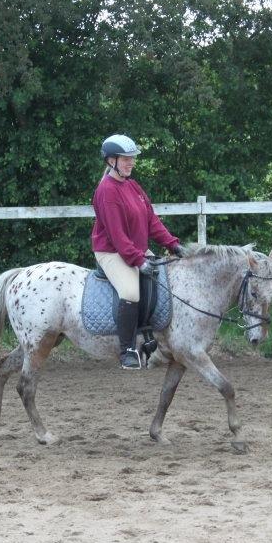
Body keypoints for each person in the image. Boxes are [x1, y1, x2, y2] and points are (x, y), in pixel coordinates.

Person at [91, 134, 187, 370]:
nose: (131, 162)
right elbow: (117, 235)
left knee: (163, 278)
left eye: (132, 158)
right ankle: (127, 350)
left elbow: (151, 221)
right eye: (126, 159)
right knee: (130, 291)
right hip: (112, 252)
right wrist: (137, 260)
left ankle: (151, 337)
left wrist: (172, 244)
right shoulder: (107, 191)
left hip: (135, 248)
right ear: (111, 160)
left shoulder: (132, 186)